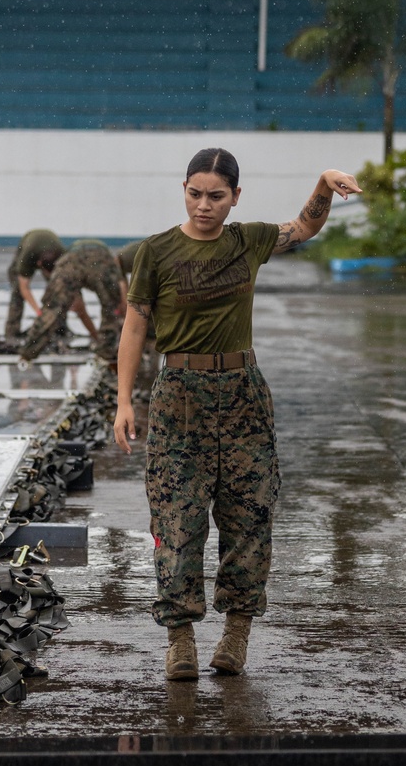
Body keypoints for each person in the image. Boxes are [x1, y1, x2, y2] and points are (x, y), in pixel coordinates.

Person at [113, 148, 361, 681]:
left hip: (243, 394)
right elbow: (134, 328)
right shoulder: (156, 252)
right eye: (195, 193)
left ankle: (237, 633)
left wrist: (322, 184)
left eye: (216, 196)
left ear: (235, 198)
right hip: (178, 396)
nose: (204, 205)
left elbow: (303, 228)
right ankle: (180, 640)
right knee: (177, 522)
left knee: (249, 516)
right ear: (183, 189)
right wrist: (123, 399)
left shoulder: (247, 240)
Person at [19, 238, 127, 363]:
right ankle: (106, 355)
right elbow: (120, 298)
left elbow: (80, 310)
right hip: (101, 259)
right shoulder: (109, 262)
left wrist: (95, 336)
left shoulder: (69, 261)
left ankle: (27, 354)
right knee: (112, 310)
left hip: (72, 260)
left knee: (52, 309)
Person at [4, 229, 67, 343]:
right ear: (39, 264)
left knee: (59, 290)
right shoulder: (27, 257)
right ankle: (12, 331)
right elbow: (24, 287)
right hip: (29, 245)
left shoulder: (62, 255)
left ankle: (60, 327)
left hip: (50, 250)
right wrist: (39, 312)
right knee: (17, 291)